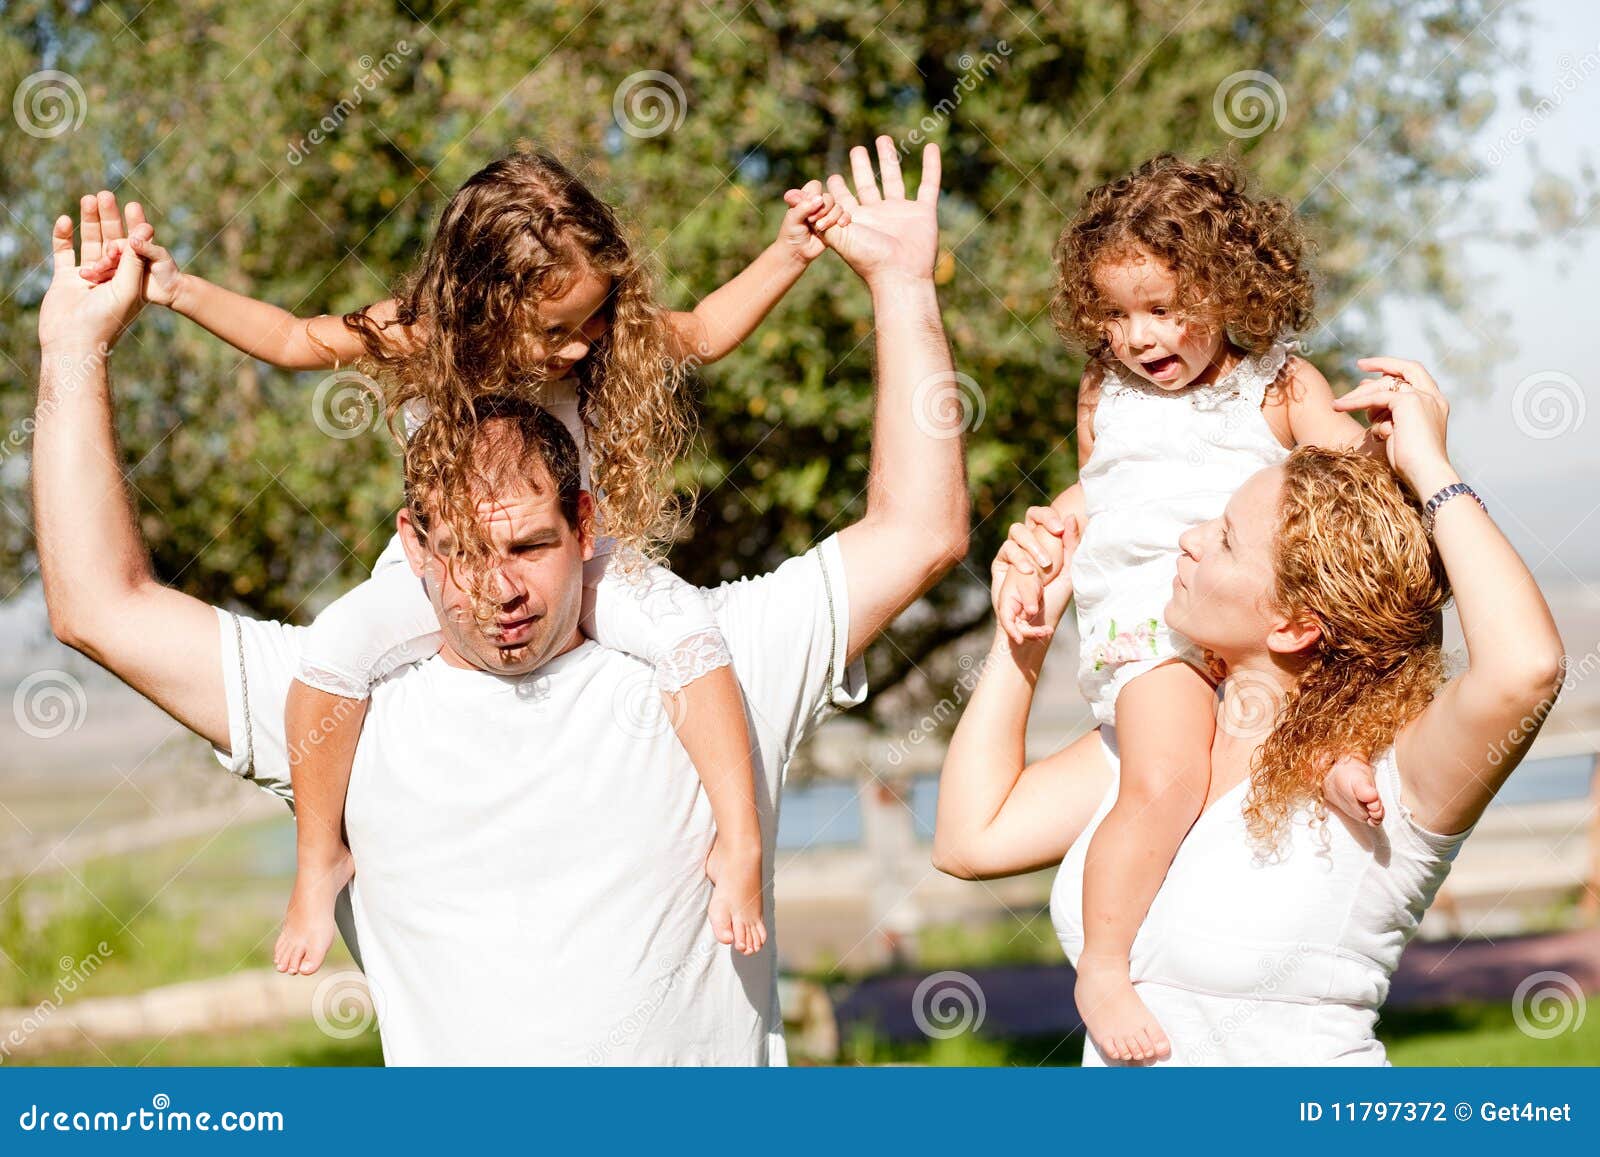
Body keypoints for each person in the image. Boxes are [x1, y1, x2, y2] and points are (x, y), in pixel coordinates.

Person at [35, 138, 968, 1064]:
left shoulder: (714, 655)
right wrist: (139, 310)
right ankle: (318, 859)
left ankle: (741, 838)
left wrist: (839, 266)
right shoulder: (353, 707)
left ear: (579, 518)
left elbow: (733, 354)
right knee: (336, 645)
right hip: (446, 592)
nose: (579, 345)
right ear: (417, 537)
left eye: (526, 544)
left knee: (686, 633)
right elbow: (285, 346)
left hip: (609, 579)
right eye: (556, 328)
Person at [934, 355, 1565, 1065]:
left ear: (1292, 625)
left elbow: (1526, 670)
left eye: (1227, 538)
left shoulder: (1386, 780)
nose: (1189, 538)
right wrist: (1024, 634)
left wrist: (1429, 469)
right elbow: (969, 839)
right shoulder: (1164, 746)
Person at [993, 155, 1385, 1061]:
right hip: (1151, 622)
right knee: (1167, 775)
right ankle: (1103, 964)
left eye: (1164, 308)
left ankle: (1325, 754)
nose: (1138, 336)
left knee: (1313, 684)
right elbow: (1102, 493)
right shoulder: (1105, 392)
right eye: (1115, 314)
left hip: (1248, 609)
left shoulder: (1282, 386)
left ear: (1229, 284)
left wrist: (1392, 444)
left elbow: (1352, 479)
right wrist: (1047, 539)